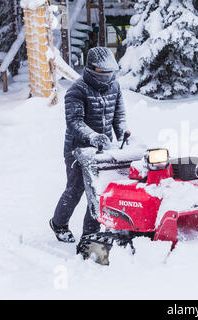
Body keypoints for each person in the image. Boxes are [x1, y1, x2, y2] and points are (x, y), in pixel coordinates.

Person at [49, 47, 128, 243]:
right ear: (93, 70)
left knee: (99, 190)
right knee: (75, 189)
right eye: (104, 73)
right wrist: (93, 136)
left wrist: (124, 137)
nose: (108, 77)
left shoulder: (115, 87)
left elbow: (119, 117)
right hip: (77, 149)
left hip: (103, 150)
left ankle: (91, 233)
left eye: (111, 73)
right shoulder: (77, 90)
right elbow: (74, 122)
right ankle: (58, 223)